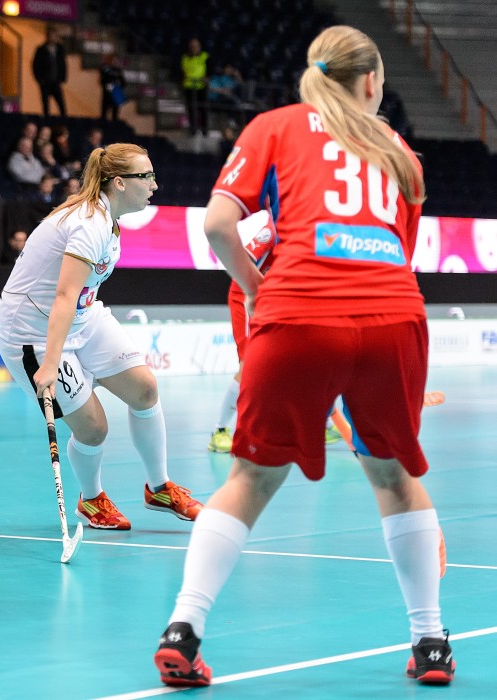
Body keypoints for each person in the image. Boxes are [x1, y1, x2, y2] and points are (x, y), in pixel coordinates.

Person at [154, 25, 454, 688]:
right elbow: (398, 253)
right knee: (394, 479)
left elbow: (216, 224)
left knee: (249, 480)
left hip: (297, 314)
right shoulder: (402, 150)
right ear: (372, 82)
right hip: (391, 318)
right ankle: (431, 642)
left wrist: (257, 291)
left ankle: (184, 627)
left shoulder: (277, 125)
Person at [0, 144, 203, 530]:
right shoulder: (89, 223)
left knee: (144, 389)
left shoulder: (109, 217)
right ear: (120, 183)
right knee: (94, 428)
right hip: (33, 333)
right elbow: (62, 295)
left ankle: (158, 487)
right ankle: (91, 500)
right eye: (147, 177)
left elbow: (75, 298)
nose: (155, 185)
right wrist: (50, 366)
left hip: (83, 316)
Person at [208, 212, 343, 453]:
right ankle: (220, 431)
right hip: (246, 298)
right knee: (248, 366)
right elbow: (241, 269)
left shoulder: (319, 233)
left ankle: (322, 423)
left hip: (279, 305)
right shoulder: (273, 230)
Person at [32, 26, 67, 117]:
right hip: (45, 81)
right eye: (50, 35)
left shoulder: (60, 49)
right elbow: (35, 65)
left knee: (61, 104)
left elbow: (63, 64)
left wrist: (62, 77)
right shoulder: (41, 49)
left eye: (54, 35)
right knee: (46, 105)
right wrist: (39, 79)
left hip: (56, 81)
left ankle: (64, 121)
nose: (52, 37)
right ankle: (46, 121)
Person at [181, 38, 209, 136]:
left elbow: (210, 69)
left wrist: (207, 78)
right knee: (191, 110)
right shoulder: (185, 58)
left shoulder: (204, 56)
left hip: (201, 87)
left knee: (203, 110)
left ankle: (205, 131)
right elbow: (183, 71)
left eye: (196, 46)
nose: (194, 48)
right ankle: (193, 130)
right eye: (192, 46)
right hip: (189, 87)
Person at [99, 54, 126, 122]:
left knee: (115, 112)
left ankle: (114, 123)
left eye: (116, 60)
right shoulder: (105, 69)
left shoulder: (119, 71)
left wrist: (119, 82)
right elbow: (103, 80)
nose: (115, 61)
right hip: (107, 93)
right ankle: (103, 122)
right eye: (114, 60)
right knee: (104, 111)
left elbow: (123, 82)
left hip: (116, 93)